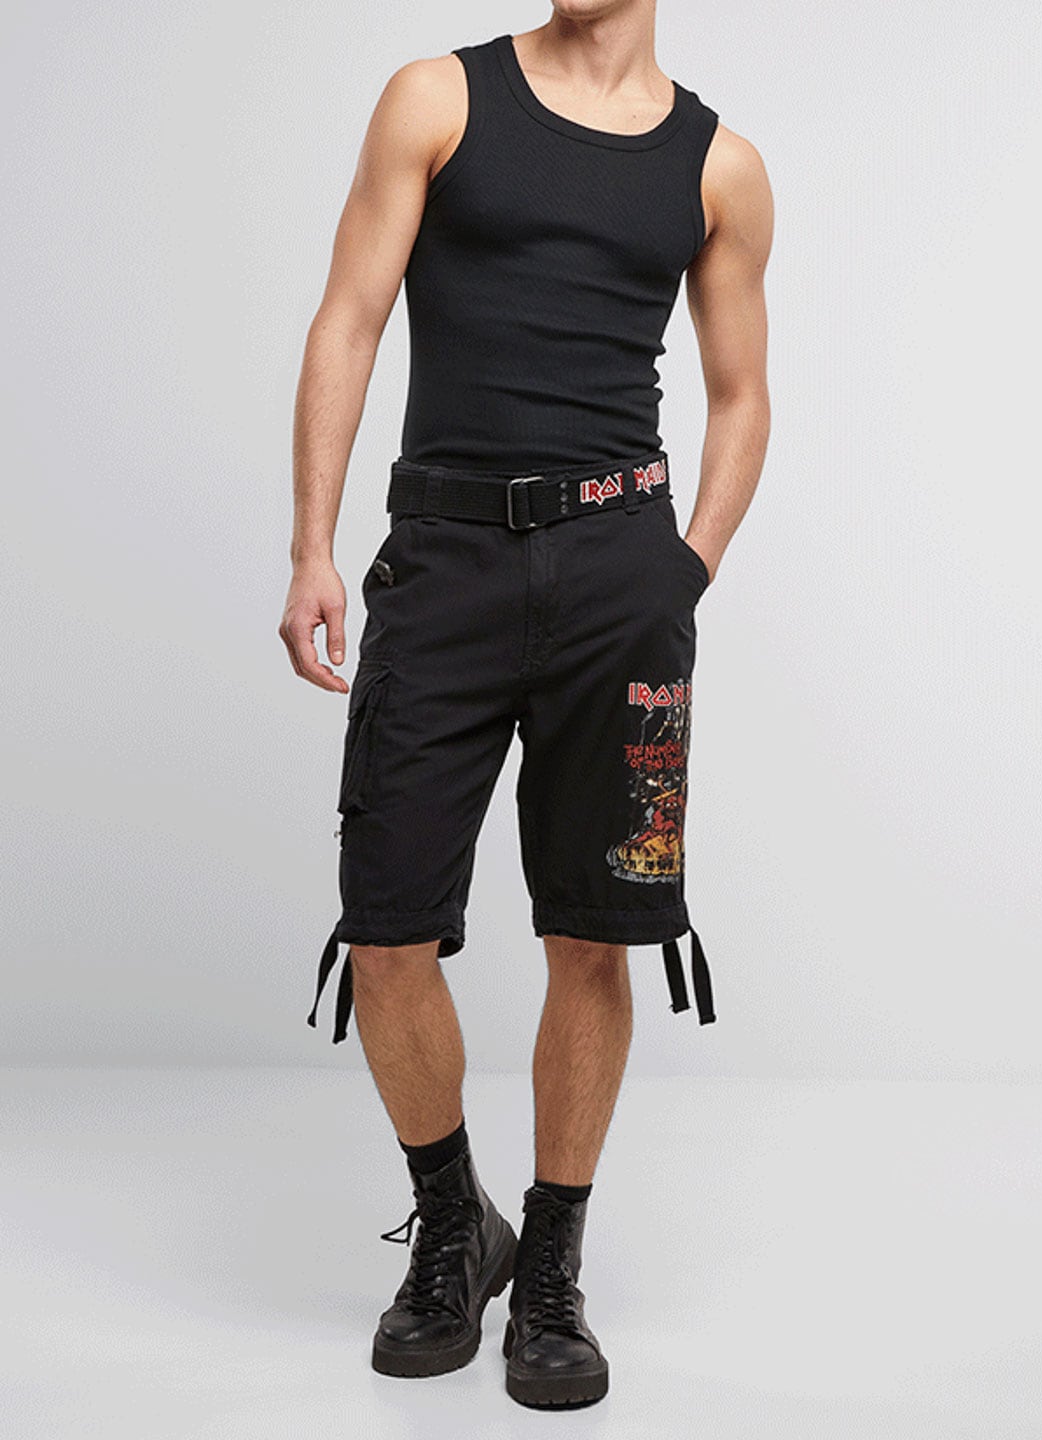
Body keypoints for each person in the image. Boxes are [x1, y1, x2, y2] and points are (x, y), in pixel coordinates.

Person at [279, 3, 772, 1411]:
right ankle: (456, 1226)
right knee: (385, 931)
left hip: (623, 574)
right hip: (443, 560)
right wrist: (313, 548)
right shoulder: (437, 99)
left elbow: (742, 394)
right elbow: (350, 315)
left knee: (595, 933)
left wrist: (684, 569)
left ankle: (551, 1262)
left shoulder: (719, 166)